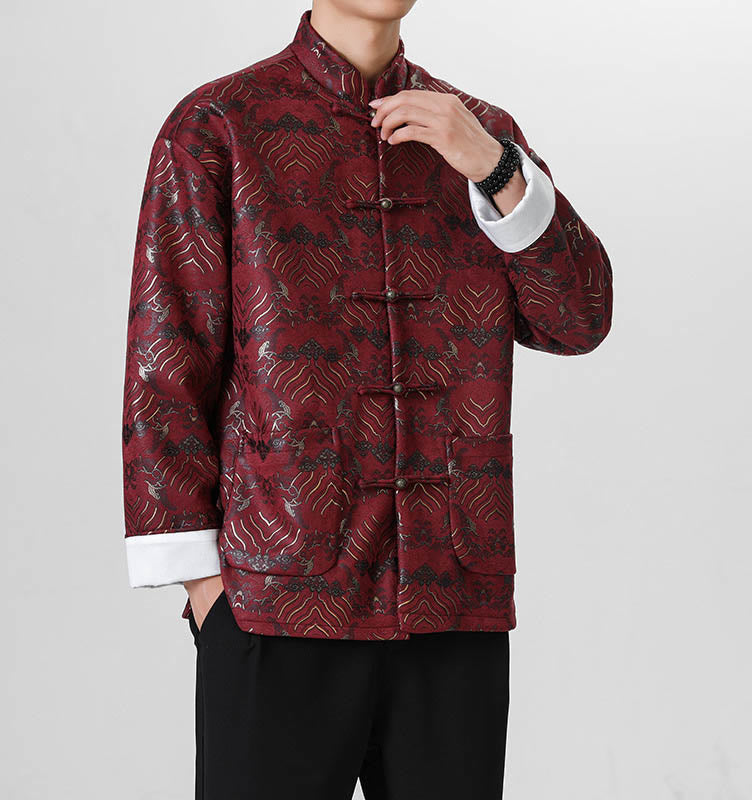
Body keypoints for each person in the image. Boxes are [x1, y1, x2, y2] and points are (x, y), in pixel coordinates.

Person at [121, 2, 613, 798]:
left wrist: (495, 169)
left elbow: (577, 319)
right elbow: (166, 358)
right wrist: (205, 589)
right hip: (277, 602)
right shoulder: (219, 126)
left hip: (453, 600)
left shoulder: (480, 134)